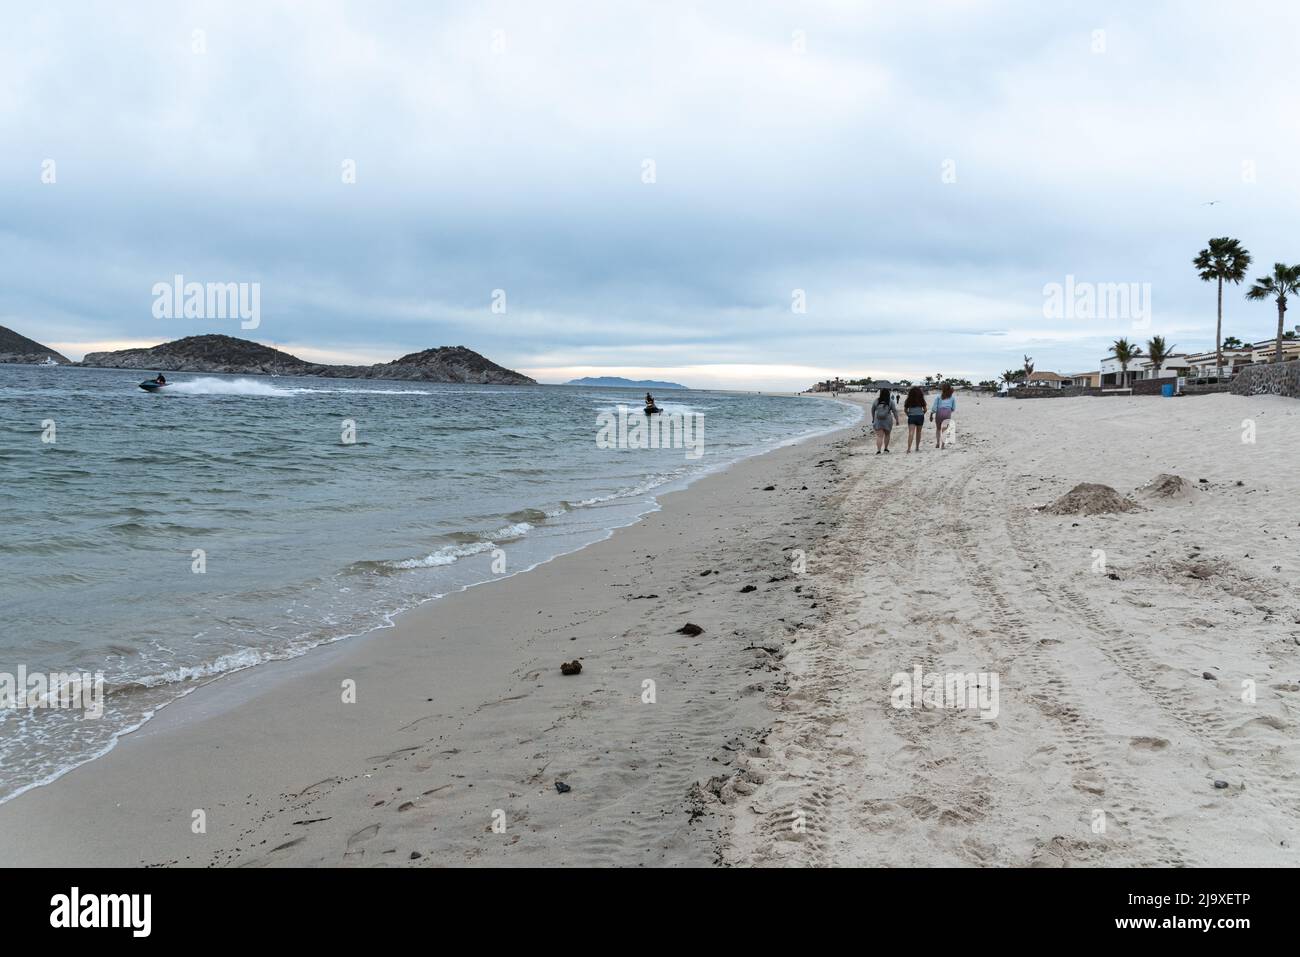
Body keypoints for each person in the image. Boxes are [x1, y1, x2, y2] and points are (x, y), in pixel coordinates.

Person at [870, 387, 899, 454]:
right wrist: (897, 420)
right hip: (888, 420)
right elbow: (894, 411)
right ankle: (886, 449)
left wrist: (873, 418)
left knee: (879, 436)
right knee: (887, 435)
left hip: (878, 420)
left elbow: (872, 410)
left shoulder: (876, 400)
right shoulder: (890, 401)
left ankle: (878, 450)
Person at [931, 383, 956, 448]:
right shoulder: (952, 398)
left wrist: (932, 413)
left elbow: (934, 407)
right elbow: (953, 408)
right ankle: (943, 445)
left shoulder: (938, 397)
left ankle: (937, 443)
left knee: (938, 429)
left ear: (942, 389)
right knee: (944, 429)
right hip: (947, 412)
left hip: (939, 412)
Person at [903, 386, 927, 452]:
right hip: (920, 417)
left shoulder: (908, 400)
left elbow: (905, 410)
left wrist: (909, 415)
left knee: (911, 432)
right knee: (918, 432)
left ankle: (909, 448)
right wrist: (922, 414)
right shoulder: (921, 399)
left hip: (911, 417)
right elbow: (925, 409)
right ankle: (917, 447)